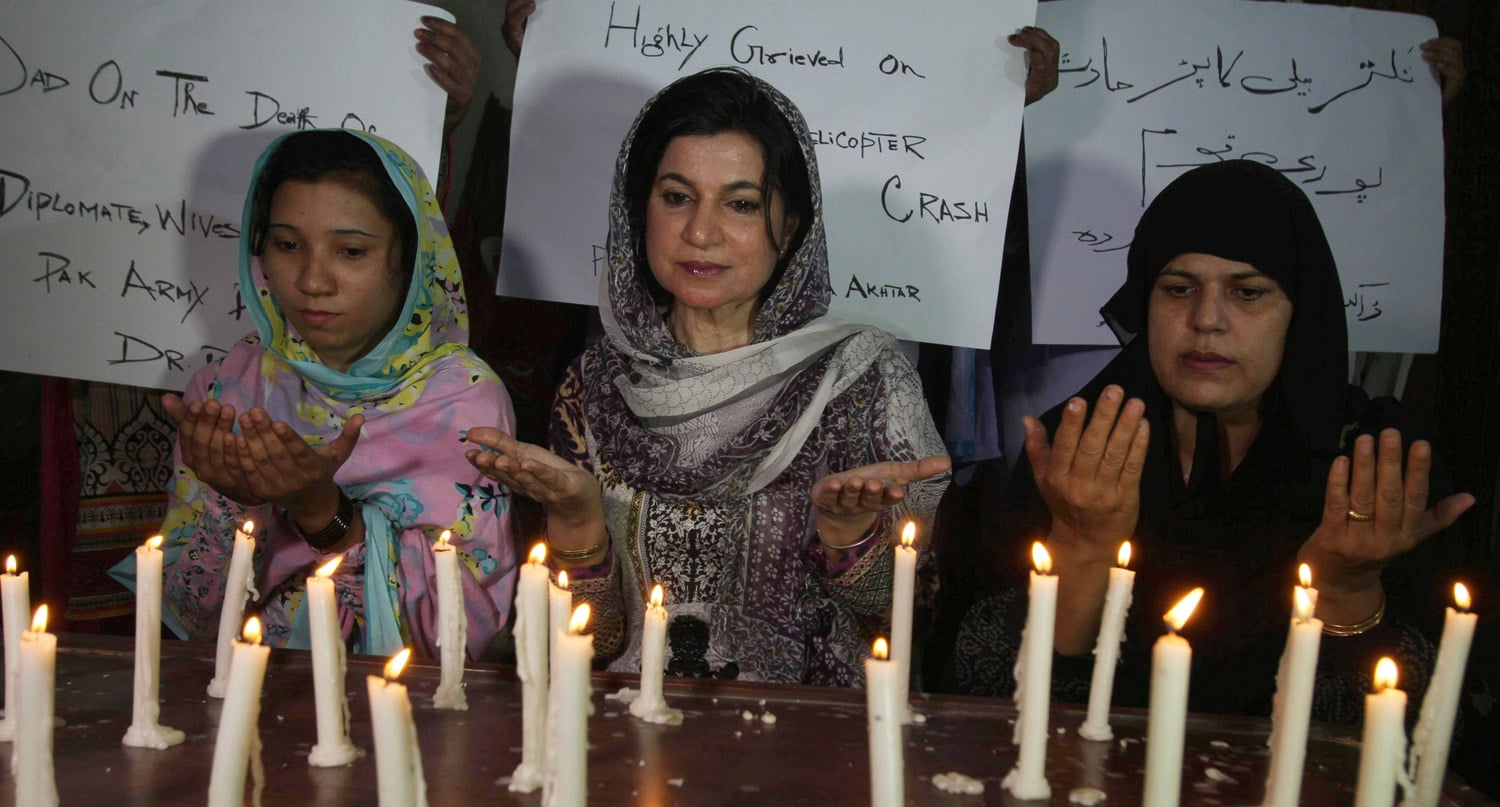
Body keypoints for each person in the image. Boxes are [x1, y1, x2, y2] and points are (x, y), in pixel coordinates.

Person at [464, 69, 951, 685]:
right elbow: (592, 642)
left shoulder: (861, 377)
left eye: (741, 204)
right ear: (637, 210)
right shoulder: (595, 384)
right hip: (629, 739)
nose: (700, 231)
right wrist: (579, 520)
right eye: (676, 196)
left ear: (792, 226)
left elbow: (908, 626)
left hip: (811, 744)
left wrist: (850, 537)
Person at [948, 160, 1476, 720]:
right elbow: (985, 697)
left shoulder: (1372, 467)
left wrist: (1348, 592)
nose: (1206, 319)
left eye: (1248, 293)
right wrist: (1081, 550)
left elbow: (1425, 735)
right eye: (1178, 289)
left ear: (1299, 314)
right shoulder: (1078, 449)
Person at [126, 129, 518, 660]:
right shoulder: (229, 390)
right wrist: (236, 500)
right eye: (287, 245)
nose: (312, 280)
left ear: (411, 259)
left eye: (351, 251)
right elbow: (187, 617)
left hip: (399, 716)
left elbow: (460, 640)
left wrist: (323, 513)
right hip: (246, 694)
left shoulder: (464, 402)